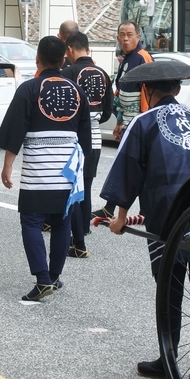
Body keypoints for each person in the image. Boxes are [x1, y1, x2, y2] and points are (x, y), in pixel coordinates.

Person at [99, 60, 190, 379]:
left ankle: (169, 359)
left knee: (170, 288)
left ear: (147, 92)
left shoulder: (144, 122)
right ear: (178, 90)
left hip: (167, 211)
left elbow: (130, 169)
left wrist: (120, 217)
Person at [0, 36, 92, 301]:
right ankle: (54, 276)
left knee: (31, 220)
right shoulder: (76, 90)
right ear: (64, 60)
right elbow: (85, 136)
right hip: (68, 169)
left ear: (37, 59)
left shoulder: (29, 89)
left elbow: (14, 130)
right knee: (62, 222)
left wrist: (8, 166)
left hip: (39, 168)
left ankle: (42, 279)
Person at [61, 31, 112, 258]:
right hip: (96, 137)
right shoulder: (102, 73)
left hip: (75, 137)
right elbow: (108, 111)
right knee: (87, 184)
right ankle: (83, 229)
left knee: (72, 186)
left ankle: (75, 233)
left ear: (70, 50)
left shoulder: (69, 72)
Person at [95, 20, 152, 219]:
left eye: (129, 34)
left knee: (132, 166)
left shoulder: (142, 57)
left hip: (139, 122)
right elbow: (121, 92)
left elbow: (148, 92)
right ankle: (115, 208)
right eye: (122, 34)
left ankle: (118, 209)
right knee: (131, 166)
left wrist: (144, 122)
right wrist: (119, 122)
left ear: (138, 37)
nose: (125, 38)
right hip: (127, 120)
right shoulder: (125, 59)